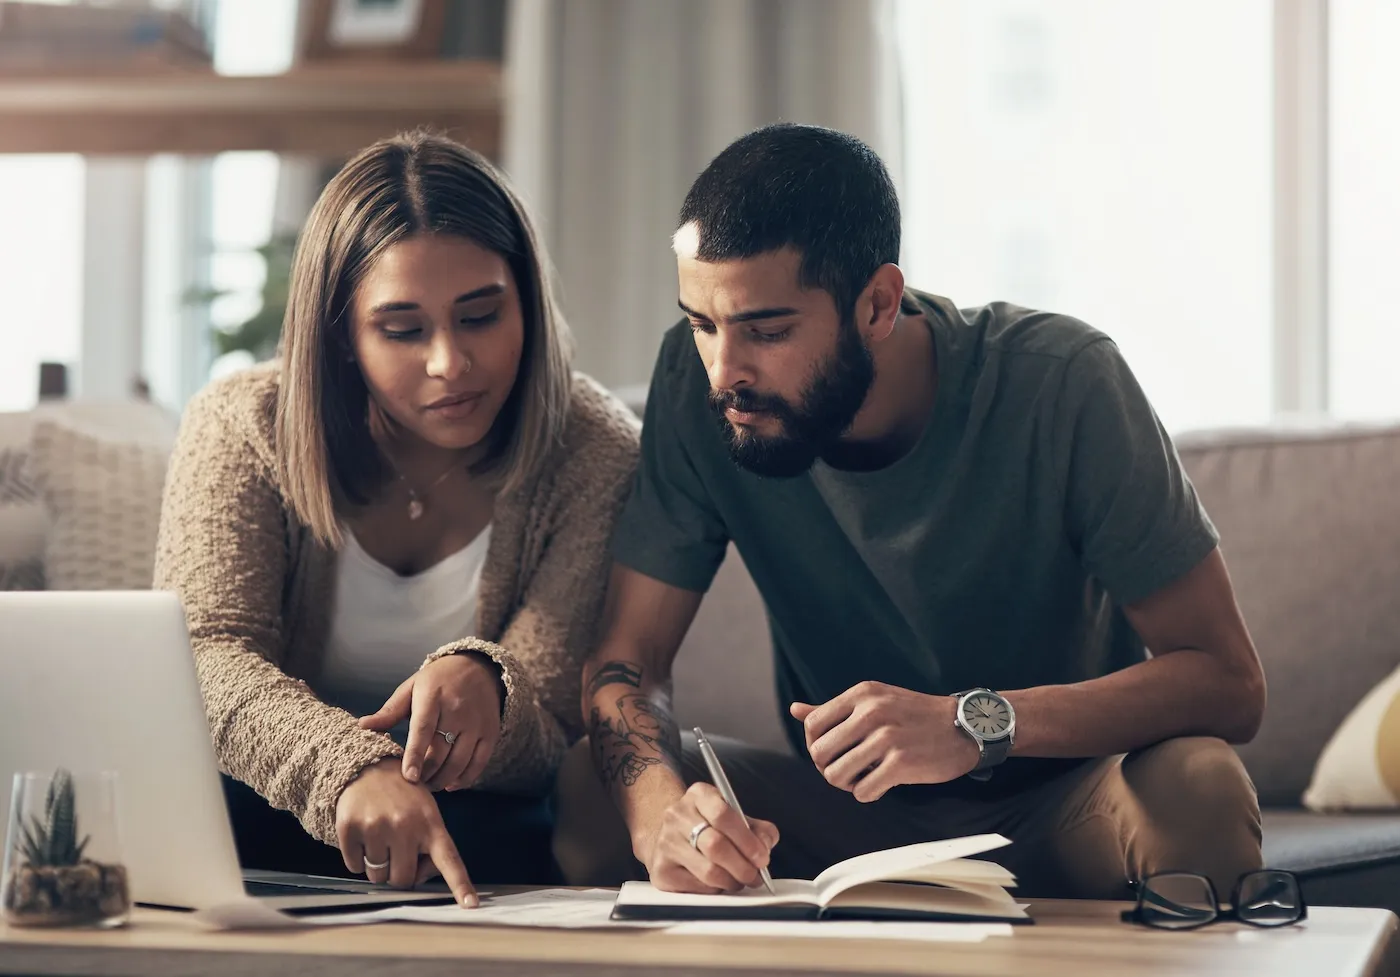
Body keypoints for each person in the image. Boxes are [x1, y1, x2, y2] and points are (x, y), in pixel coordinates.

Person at [556, 123, 1266, 901]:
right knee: (596, 790)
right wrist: (662, 811)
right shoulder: (702, 391)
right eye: (702, 324)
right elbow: (627, 663)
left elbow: (1228, 682)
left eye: (768, 329)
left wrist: (973, 722)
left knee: (1201, 789)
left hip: (1068, 802)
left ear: (878, 304)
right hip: (840, 816)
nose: (725, 371)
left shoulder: (1064, 383)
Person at [154, 132, 639, 908]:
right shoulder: (241, 424)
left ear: (528, 301)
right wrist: (350, 767)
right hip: (260, 811)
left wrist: (490, 683)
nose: (450, 362)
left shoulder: (593, 449)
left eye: (481, 315)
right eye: (403, 329)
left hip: (485, 836)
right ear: (341, 335)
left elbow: (554, 727)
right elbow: (203, 657)